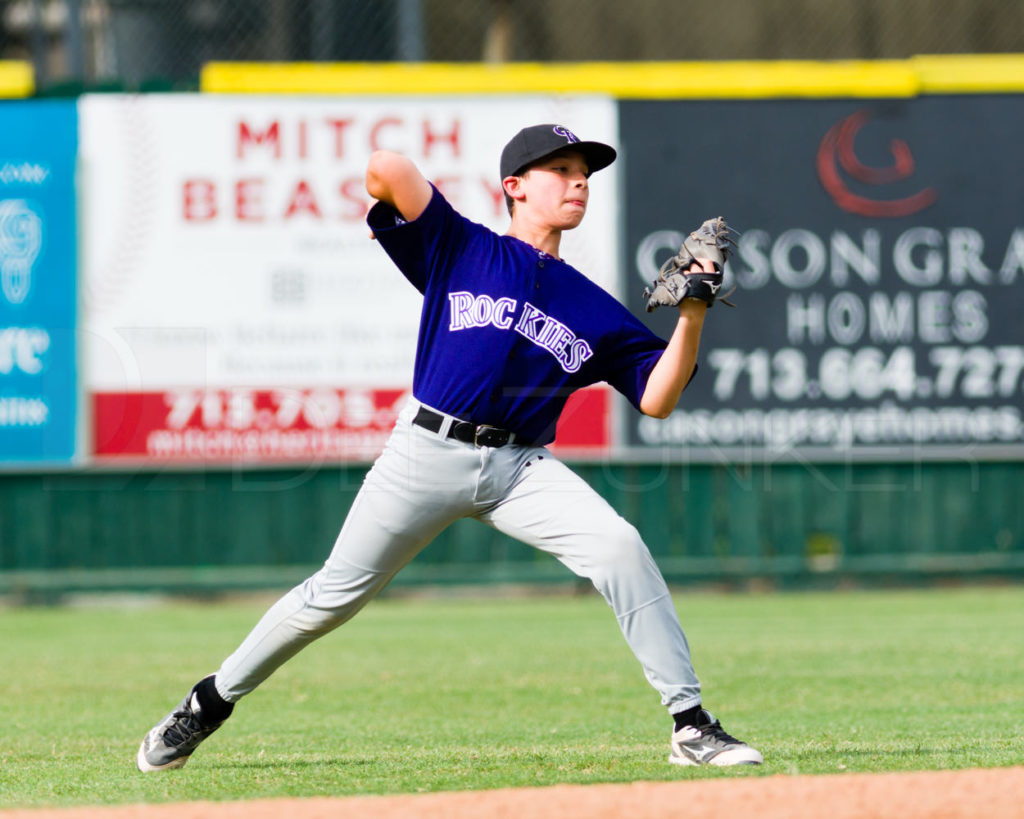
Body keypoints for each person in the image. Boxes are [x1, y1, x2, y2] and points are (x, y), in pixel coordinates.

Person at [136, 124, 763, 771]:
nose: (579, 180)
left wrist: (693, 310)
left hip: (519, 467)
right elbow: (384, 168)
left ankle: (690, 723)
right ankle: (207, 702)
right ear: (514, 187)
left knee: (619, 546)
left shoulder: (592, 305)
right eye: (562, 168)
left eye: (585, 172)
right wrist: (406, 186)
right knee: (332, 596)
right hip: (425, 452)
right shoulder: (460, 245)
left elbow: (659, 396)